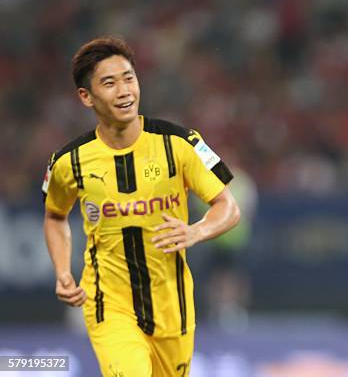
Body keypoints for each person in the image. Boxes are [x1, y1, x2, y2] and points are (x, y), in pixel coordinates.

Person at [42, 37, 240, 377]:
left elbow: (228, 206)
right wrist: (62, 270)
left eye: (129, 78)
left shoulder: (179, 143)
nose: (124, 91)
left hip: (173, 308)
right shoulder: (68, 162)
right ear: (85, 96)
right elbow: (55, 216)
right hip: (108, 306)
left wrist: (197, 230)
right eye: (109, 82)